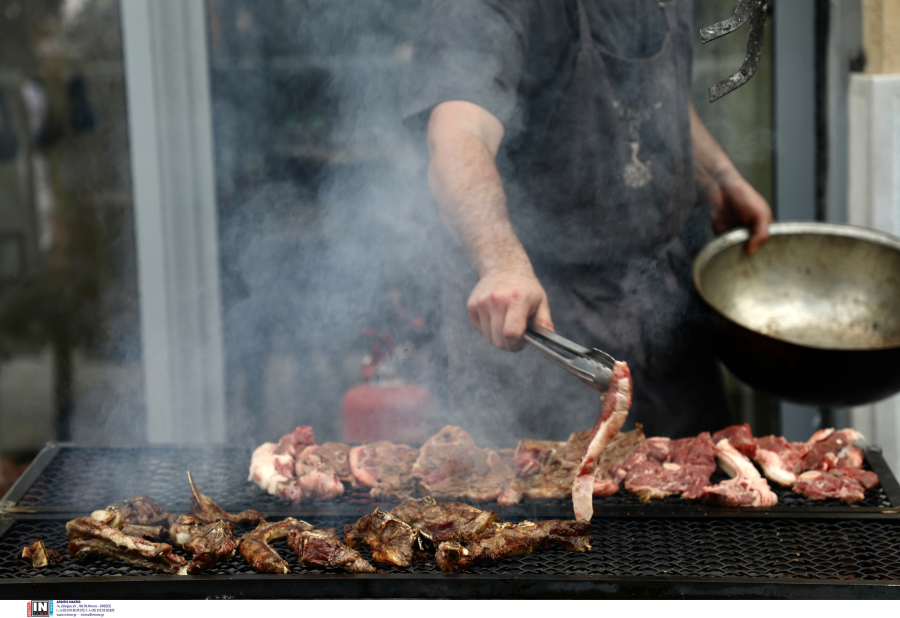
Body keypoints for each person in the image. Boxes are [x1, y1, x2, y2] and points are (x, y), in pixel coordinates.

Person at [403, 0, 773, 444]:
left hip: (660, 309)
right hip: (544, 324)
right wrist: (501, 262)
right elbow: (458, 133)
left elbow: (649, 92)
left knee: (697, 495)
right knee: (554, 507)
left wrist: (717, 174)